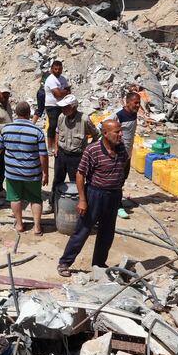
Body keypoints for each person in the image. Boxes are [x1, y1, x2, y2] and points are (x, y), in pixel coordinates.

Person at [57, 119, 129, 277]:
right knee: (83, 229)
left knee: (107, 232)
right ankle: (65, 262)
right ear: (105, 133)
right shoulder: (92, 150)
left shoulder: (121, 148)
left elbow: (123, 165)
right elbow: (80, 174)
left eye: (121, 131)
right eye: (117, 132)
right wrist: (83, 200)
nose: (120, 134)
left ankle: (99, 263)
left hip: (114, 195)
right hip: (95, 194)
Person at [0, 102, 48, 235]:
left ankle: (19, 224)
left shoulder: (6, 129)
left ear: (16, 113)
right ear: (29, 114)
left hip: (12, 172)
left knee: (15, 198)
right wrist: (45, 172)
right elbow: (43, 154)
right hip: (32, 173)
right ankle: (37, 227)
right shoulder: (37, 131)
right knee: (35, 199)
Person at [50, 95, 99, 212]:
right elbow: (57, 131)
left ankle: (77, 207)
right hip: (61, 154)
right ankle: (53, 204)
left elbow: (96, 135)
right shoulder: (61, 117)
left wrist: (88, 151)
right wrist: (56, 147)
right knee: (57, 180)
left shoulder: (84, 119)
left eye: (65, 107)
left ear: (73, 107)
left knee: (77, 183)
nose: (63, 109)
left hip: (77, 157)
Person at [105, 91, 142, 219]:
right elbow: (102, 126)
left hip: (128, 154)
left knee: (122, 179)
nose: (138, 105)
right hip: (118, 154)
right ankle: (117, 205)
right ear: (127, 102)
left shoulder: (134, 114)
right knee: (116, 180)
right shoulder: (119, 115)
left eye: (139, 103)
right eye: (135, 103)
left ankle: (113, 201)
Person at [44, 61, 71, 152]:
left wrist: (63, 91)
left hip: (62, 105)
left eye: (59, 69)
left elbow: (69, 91)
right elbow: (57, 94)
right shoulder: (51, 79)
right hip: (52, 106)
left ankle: (59, 145)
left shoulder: (63, 79)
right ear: (52, 69)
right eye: (55, 69)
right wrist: (64, 91)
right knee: (53, 125)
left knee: (62, 125)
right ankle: (50, 146)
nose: (57, 71)